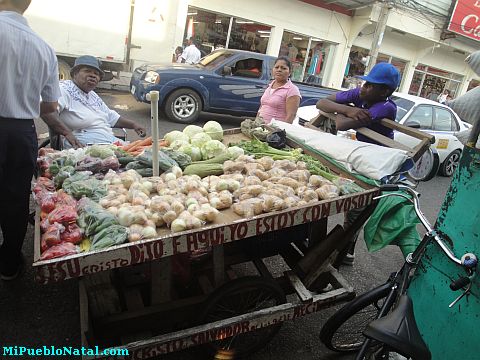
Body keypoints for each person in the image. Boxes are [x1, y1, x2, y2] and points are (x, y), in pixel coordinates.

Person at [0, 0, 80, 280]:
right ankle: (9, 264)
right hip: (22, 132)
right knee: (15, 200)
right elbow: (49, 109)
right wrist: (66, 132)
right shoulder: (44, 48)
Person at [316, 62, 401, 264]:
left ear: (385, 91)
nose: (365, 88)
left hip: (376, 164)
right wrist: (347, 108)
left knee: (355, 213)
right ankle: (345, 252)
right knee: (351, 210)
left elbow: (341, 124)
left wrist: (343, 112)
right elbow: (321, 102)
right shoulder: (361, 95)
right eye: (366, 83)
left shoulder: (385, 107)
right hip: (361, 156)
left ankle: (344, 254)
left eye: (371, 85)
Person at [42, 55, 146, 148]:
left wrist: (134, 125)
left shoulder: (92, 95)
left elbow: (111, 117)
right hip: (83, 145)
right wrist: (67, 133)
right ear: (74, 74)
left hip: (107, 142)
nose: (93, 75)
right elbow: (47, 111)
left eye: (96, 74)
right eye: (87, 71)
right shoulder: (64, 88)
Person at [257, 56, 301, 124]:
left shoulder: (292, 90)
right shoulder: (270, 86)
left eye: (283, 68)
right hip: (259, 128)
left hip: (274, 130)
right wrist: (255, 124)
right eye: (276, 67)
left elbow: (291, 116)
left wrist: (278, 133)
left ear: (290, 72)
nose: (279, 70)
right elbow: (262, 107)